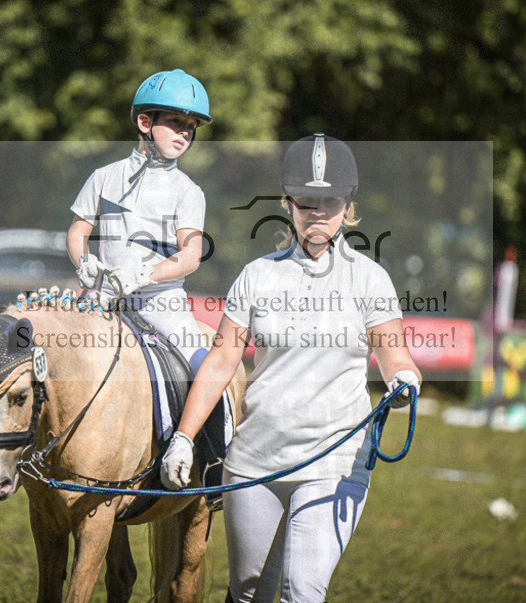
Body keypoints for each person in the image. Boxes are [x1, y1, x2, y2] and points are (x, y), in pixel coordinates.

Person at [160, 134, 424, 602]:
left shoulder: (369, 278)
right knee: (247, 592)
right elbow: (221, 361)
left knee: (303, 590)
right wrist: (183, 437)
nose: (318, 212)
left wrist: (404, 379)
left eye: (331, 202)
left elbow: (394, 354)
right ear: (288, 203)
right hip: (255, 459)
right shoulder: (258, 275)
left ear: (348, 205)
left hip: (334, 460)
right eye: (307, 201)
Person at [66, 68, 212, 372]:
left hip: (161, 301)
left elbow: (191, 256)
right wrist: (84, 263)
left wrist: (144, 275)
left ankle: (219, 421)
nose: (184, 132)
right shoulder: (103, 177)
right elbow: (78, 230)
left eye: (190, 126)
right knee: (54, 351)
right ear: (145, 122)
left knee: (203, 369)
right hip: (104, 293)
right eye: (175, 122)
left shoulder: (188, 191)